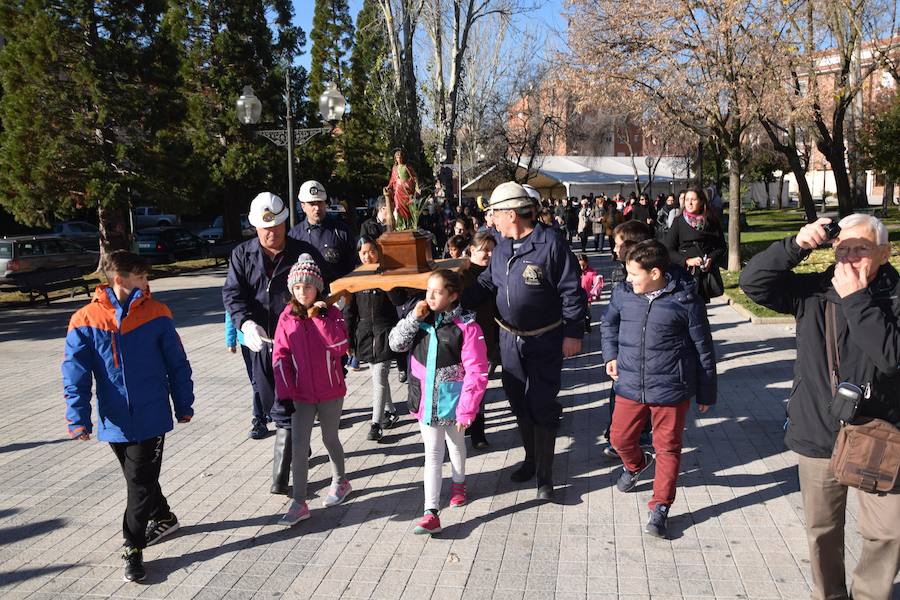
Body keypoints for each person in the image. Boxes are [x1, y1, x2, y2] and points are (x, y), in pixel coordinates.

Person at [739, 214, 900, 600]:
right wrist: (795, 246)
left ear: (885, 251)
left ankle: (869, 595)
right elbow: (752, 283)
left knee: (887, 533)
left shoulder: (894, 298)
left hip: (881, 433)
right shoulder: (813, 290)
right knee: (823, 530)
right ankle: (828, 595)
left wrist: (857, 300)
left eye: (860, 248)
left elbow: (891, 356)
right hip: (818, 431)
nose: (848, 256)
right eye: (841, 247)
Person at [62, 251, 194, 582]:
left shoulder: (158, 313)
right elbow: (75, 373)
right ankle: (163, 516)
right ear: (119, 279)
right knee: (139, 479)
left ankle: (132, 547)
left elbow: (177, 363)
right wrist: (78, 417)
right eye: (140, 277)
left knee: (138, 483)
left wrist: (184, 403)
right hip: (115, 421)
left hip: (151, 417)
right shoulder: (85, 320)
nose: (147, 282)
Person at [463, 181, 586, 501]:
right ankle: (531, 460)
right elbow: (488, 281)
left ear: (513, 214)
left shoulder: (551, 244)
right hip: (509, 341)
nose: (491, 218)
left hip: (545, 339)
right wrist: (455, 302)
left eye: (495, 213)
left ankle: (545, 477)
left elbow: (572, 291)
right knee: (518, 402)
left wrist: (573, 333)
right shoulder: (502, 245)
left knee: (542, 404)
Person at [601, 240, 716, 539]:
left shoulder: (686, 300)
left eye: (634, 274)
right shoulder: (624, 294)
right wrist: (610, 355)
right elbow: (608, 325)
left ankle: (661, 505)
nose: (629, 280)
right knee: (620, 438)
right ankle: (637, 464)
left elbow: (703, 347)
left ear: (654, 272)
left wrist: (706, 392)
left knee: (668, 448)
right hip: (628, 384)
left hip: (670, 389)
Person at [222, 192, 324, 498]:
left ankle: (281, 476)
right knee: (267, 397)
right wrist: (243, 323)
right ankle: (297, 441)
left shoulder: (303, 251)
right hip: (257, 339)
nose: (273, 233)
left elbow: (322, 289)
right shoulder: (242, 254)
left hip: (296, 338)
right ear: (255, 227)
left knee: (291, 401)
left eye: (278, 226)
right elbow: (232, 294)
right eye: (267, 228)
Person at [389, 269, 489, 535]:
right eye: (428, 290)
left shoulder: (467, 327)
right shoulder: (420, 319)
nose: (430, 296)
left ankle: (459, 484)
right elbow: (395, 344)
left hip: (454, 403)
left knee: (456, 446)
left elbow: (477, 370)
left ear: (453, 295)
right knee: (432, 454)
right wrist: (412, 317)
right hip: (424, 400)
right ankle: (430, 512)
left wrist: (468, 409)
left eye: (437, 292)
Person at [273, 254, 352, 526]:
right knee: (299, 446)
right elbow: (280, 354)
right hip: (300, 394)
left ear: (317, 287)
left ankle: (341, 481)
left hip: (330, 390)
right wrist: (285, 390)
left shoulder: (332, 313)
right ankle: (299, 502)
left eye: (307, 286)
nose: (302, 292)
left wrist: (319, 317)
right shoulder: (287, 316)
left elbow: (340, 346)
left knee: (330, 438)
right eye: (297, 287)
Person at [601, 221, 654, 458]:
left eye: (618, 244)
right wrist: (610, 353)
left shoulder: (659, 279)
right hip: (625, 351)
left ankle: (638, 435)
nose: (614, 250)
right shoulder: (620, 278)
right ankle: (620, 434)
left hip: (648, 353)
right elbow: (609, 321)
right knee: (620, 393)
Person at [344, 237, 404, 442]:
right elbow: (350, 312)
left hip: (384, 332)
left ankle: (376, 424)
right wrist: (349, 340)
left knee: (378, 376)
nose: (368, 256)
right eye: (363, 253)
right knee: (379, 377)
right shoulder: (356, 278)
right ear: (358, 255)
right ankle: (391, 411)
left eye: (371, 252)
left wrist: (387, 283)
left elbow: (399, 300)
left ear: (378, 253)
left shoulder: (386, 273)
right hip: (364, 334)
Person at [464, 232, 500, 449]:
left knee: (480, 387)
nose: (488, 254)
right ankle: (475, 429)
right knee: (473, 387)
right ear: (472, 249)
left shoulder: (497, 271)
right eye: (484, 249)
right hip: (468, 340)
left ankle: (476, 429)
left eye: (492, 250)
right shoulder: (462, 273)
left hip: (491, 336)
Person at [664, 187, 726, 303]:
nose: (689, 203)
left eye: (693, 199)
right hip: (683, 276)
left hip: (703, 277)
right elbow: (668, 249)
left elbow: (721, 247)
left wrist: (711, 259)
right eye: (687, 200)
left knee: (699, 312)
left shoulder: (711, 221)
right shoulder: (679, 221)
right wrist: (687, 261)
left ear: (701, 201)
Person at [288, 180, 356, 283]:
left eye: (320, 202)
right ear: (303, 206)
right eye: (312, 204)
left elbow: (352, 268)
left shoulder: (342, 232)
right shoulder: (294, 235)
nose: (317, 208)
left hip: (337, 294)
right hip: (306, 296)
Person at [384, 148, 419, 220]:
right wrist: (388, 186)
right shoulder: (394, 168)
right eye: (397, 157)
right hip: (397, 190)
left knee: (407, 206)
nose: (399, 159)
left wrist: (416, 187)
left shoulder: (406, 167)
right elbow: (392, 180)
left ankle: (408, 222)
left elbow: (414, 177)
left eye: (400, 157)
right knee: (398, 206)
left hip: (405, 189)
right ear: (395, 159)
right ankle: (400, 223)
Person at [578, 253, 603, 333]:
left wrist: (597, 293)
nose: (582, 268)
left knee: (587, 312)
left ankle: (588, 326)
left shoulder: (591, 272)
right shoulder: (573, 271)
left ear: (587, 263)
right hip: (576, 296)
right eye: (580, 265)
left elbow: (596, 285)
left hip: (587, 296)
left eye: (584, 265)